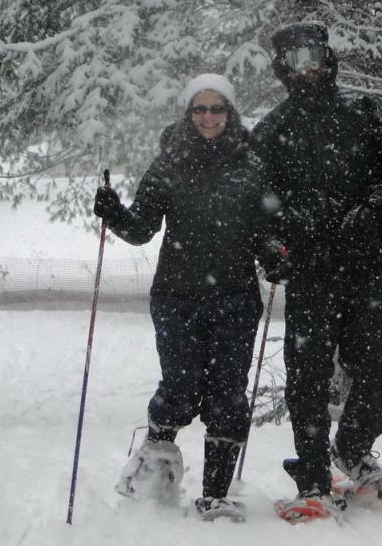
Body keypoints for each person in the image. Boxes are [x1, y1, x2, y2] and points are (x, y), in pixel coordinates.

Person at [253, 22, 382, 514]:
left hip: (366, 269)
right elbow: (255, 205)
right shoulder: (272, 131)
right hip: (309, 277)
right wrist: (272, 246)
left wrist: (369, 211)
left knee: (378, 373)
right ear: (281, 68)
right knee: (307, 381)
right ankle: (311, 478)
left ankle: (351, 447)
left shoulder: (370, 112)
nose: (305, 68)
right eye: (293, 59)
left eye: (312, 56)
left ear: (328, 58)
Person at [93, 73, 271, 521]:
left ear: (229, 113)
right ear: (188, 113)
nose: (208, 117)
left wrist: (276, 256)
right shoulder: (170, 163)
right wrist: (112, 211)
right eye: (200, 109)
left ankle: (216, 494)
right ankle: (156, 471)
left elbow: (267, 229)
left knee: (228, 395)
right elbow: (141, 229)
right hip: (177, 296)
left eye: (216, 109)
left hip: (235, 297)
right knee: (179, 388)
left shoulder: (253, 163)